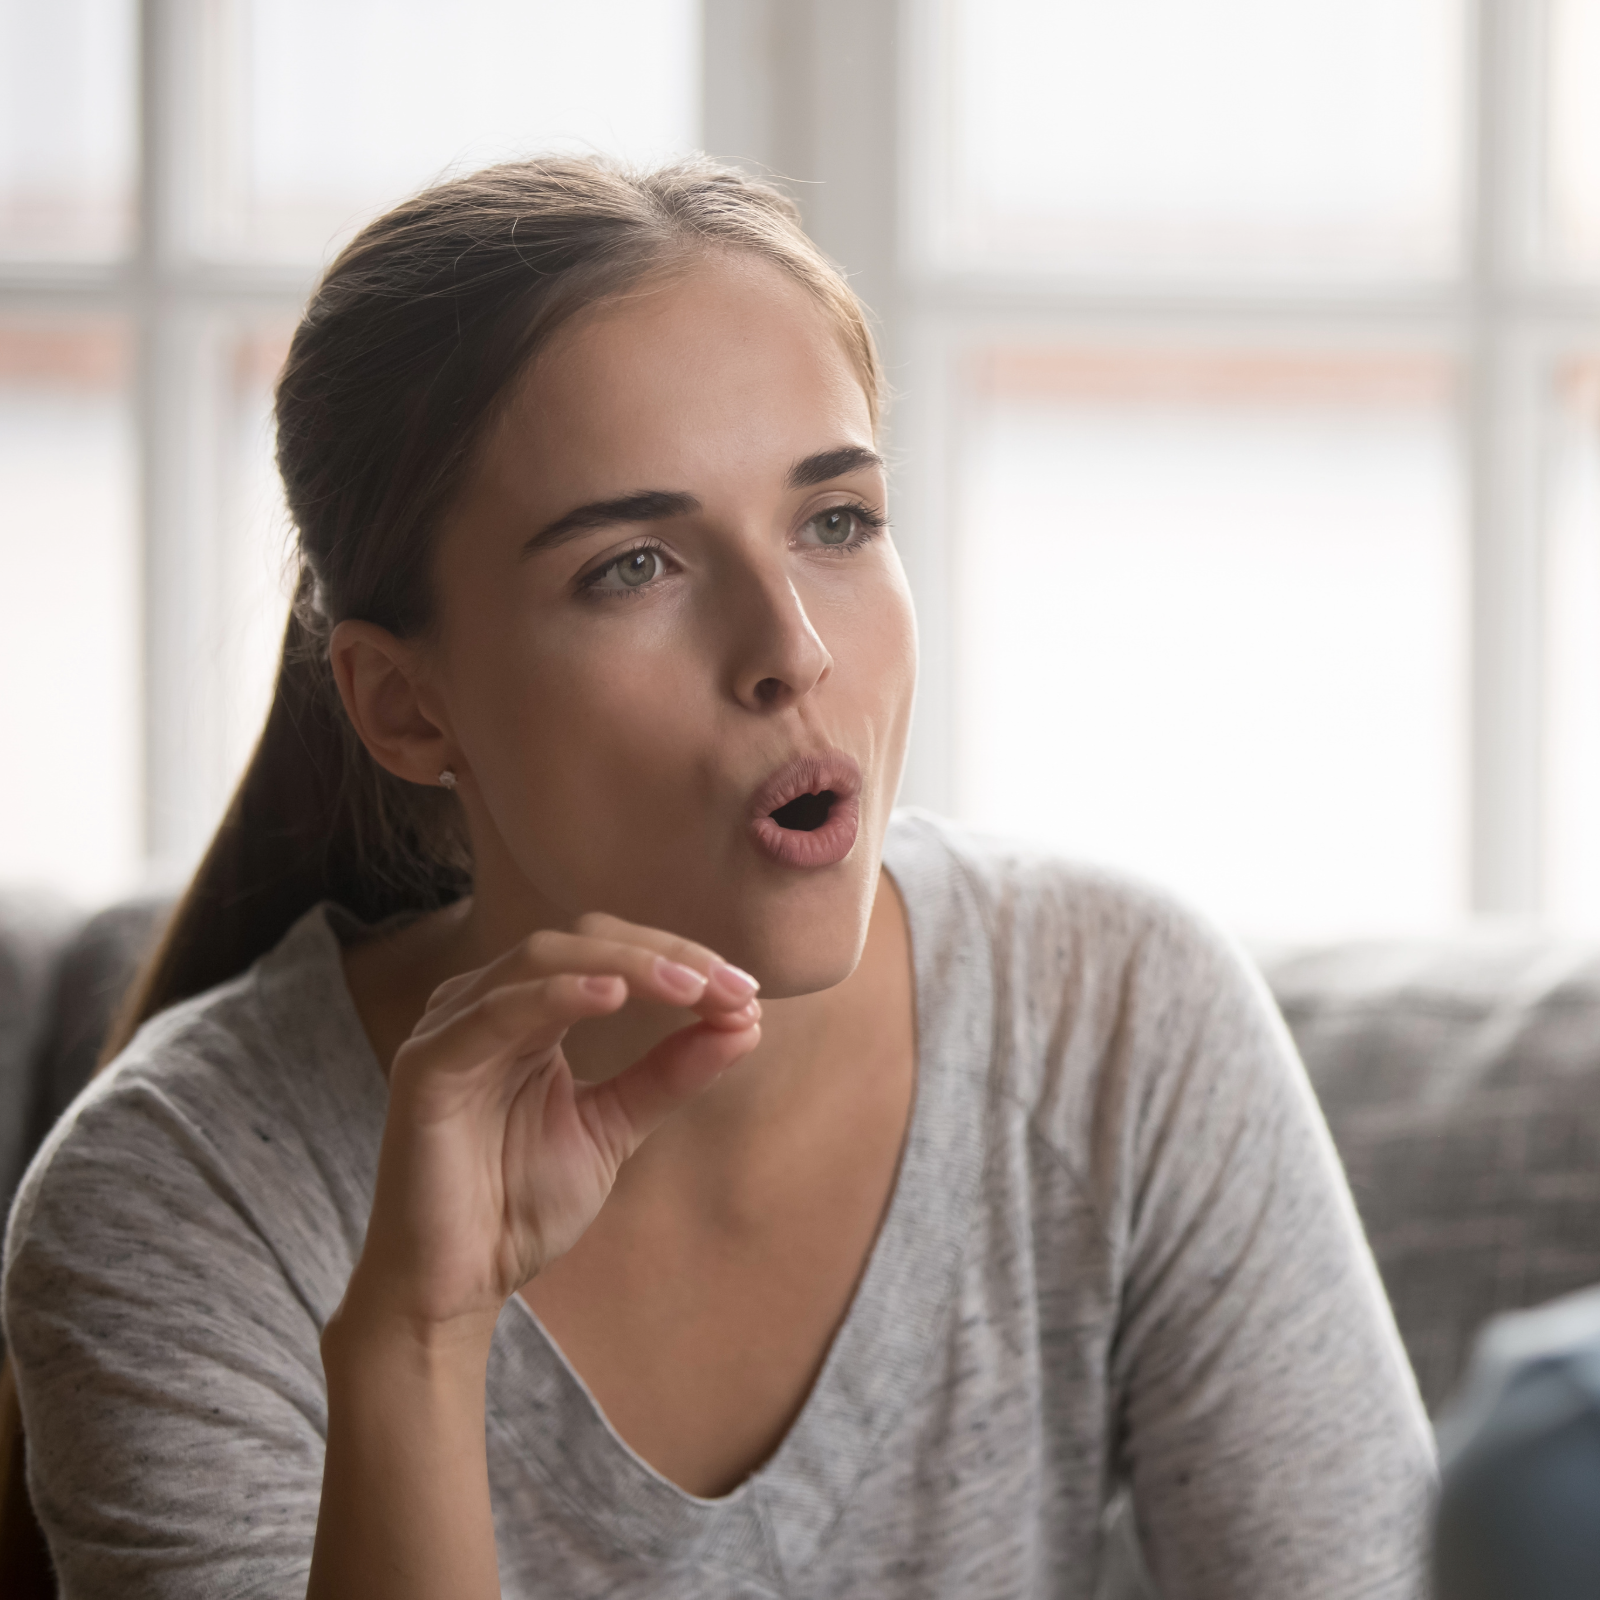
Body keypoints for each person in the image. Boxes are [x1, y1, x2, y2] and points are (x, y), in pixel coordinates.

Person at [2, 156, 1434, 1599]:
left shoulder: (1120, 1017)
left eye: (837, 522)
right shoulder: (180, 1205)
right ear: (403, 706)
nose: (794, 647)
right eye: (633, 565)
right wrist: (416, 1340)